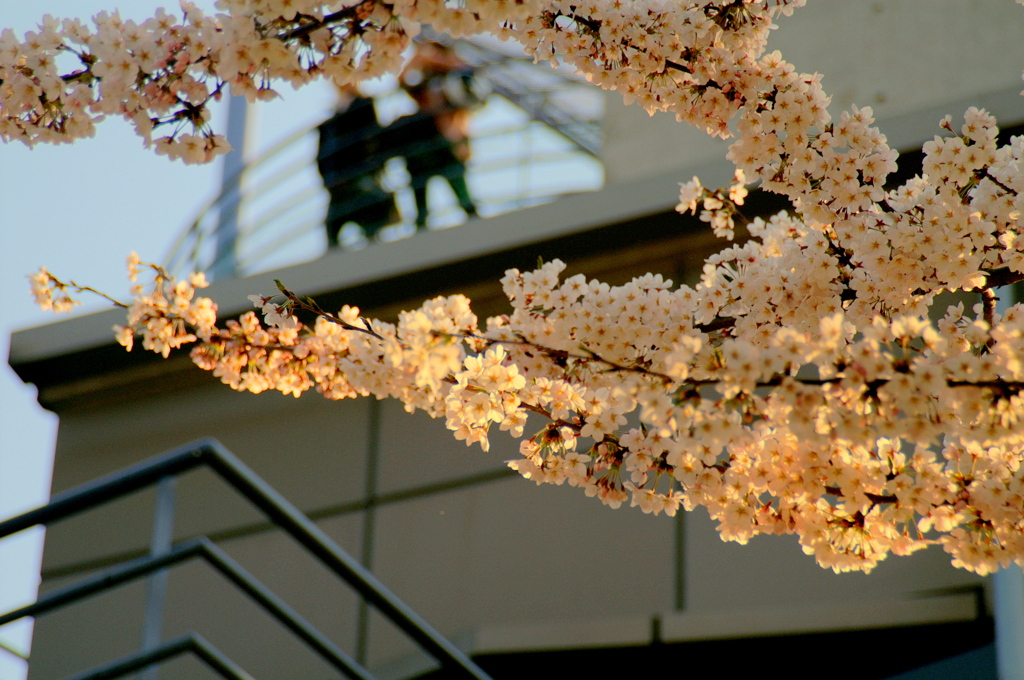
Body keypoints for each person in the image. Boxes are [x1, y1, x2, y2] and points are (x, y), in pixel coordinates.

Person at [316, 88, 396, 246]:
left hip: (359, 177)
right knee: (333, 229)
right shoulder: (330, 123)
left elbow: (371, 137)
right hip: (338, 184)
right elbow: (322, 156)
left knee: (370, 224)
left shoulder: (362, 106)